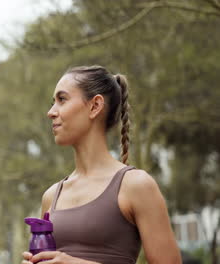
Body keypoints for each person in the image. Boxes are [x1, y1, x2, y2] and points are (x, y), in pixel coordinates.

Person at [22, 66, 181, 264]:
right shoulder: (51, 196)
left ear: (95, 106)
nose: (51, 112)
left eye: (62, 100)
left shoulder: (136, 186)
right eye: (53, 102)